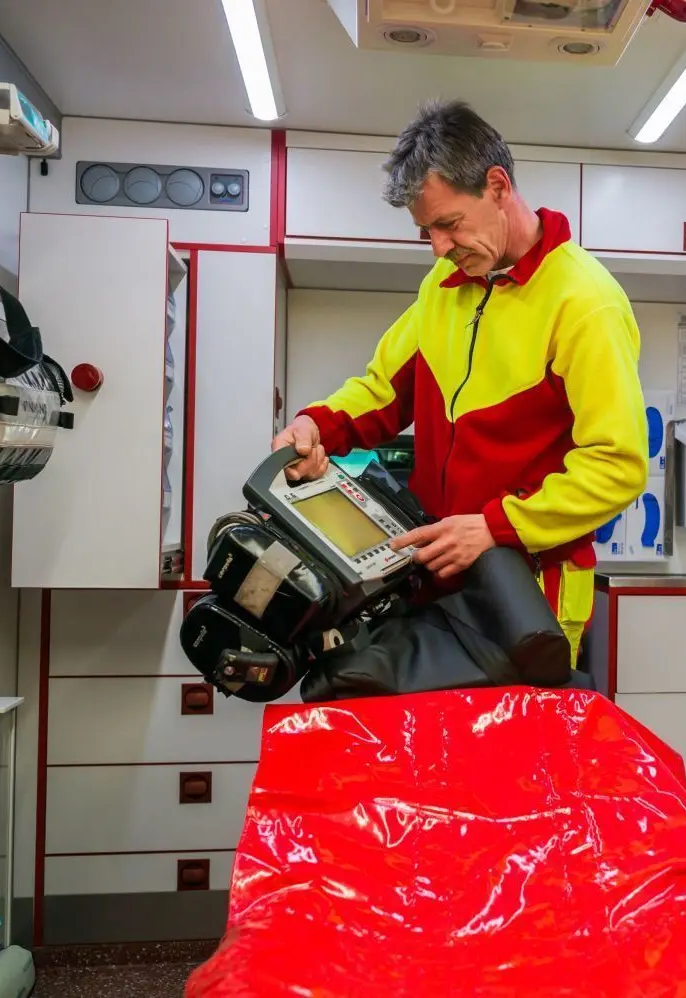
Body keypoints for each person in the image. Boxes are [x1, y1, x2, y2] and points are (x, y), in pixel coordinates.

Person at [272, 99, 648, 670]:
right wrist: (315, 425)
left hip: (525, 586)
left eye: (448, 225)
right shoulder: (444, 284)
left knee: (511, 752)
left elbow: (617, 464)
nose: (439, 248)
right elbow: (382, 389)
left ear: (498, 187)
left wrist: (497, 527)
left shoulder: (585, 303)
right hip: (438, 570)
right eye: (427, 231)